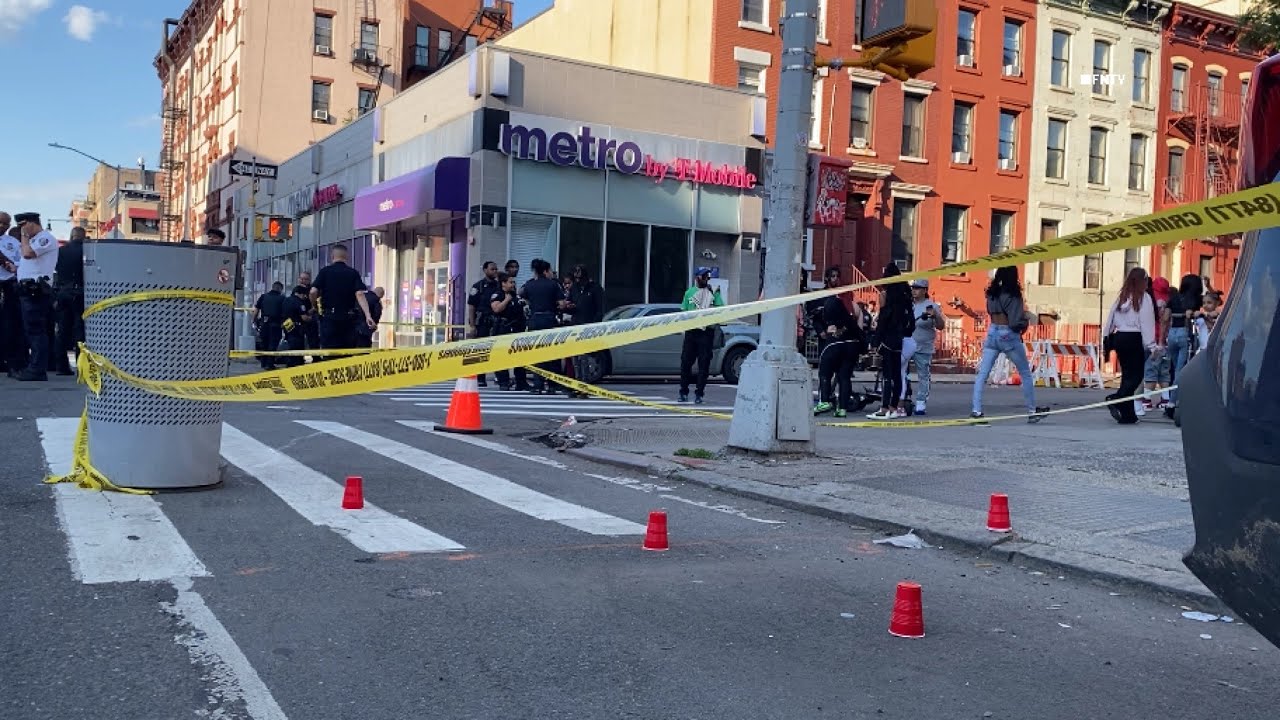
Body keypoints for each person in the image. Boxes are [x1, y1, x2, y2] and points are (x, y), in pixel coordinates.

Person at [971, 265, 1049, 423]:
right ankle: (1032, 410)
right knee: (1025, 373)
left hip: (992, 331)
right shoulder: (1013, 295)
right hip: (1008, 334)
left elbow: (991, 312)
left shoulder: (991, 293)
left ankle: (976, 411)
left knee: (982, 375)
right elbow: (1014, 322)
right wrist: (1025, 320)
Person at [1103, 267, 1159, 424]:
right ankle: (1116, 399)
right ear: (1143, 281)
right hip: (1134, 338)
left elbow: (1110, 318)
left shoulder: (1122, 297)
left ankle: (1128, 415)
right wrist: (1152, 346)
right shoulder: (1144, 298)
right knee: (1136, 376)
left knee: (1127, 376)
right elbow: (1146, 323)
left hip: (1120, 337)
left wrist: (1106, 337)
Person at [12, 213, 59, 381]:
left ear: (32, 223)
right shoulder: (33, 240)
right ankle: (33, 366)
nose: (21, 230)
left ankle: (37, 369)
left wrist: (24, 236)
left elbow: (27, 254)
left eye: (23, 226)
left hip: (36, 291)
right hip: (27, 290)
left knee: (36, 330)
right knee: (30, 330)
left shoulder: (44, 238)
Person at [867, 264, 914, 419]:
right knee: (897, 375)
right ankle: (894, 407)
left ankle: (884, 408)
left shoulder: (885, 295)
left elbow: (883, 320)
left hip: (887, 339)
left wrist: (875, 341)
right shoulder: (905, 296)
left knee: (887, 376)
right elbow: (910, 322)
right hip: (899, 339)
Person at [812, 267, 860, 418]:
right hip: (842, 341)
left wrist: (838, 330)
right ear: (827, 278)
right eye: (832, 276)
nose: (835, 279)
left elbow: (855, 318)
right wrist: (822, 331)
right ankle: (840, 407)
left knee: (830, 373)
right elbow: (817, 318)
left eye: (837, 276)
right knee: (842, 375)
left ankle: (826, 401)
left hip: (836, 342)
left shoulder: (842, 299)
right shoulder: (825, 297)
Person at [309, 245, 375, 353]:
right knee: (347, 352)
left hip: (329, 318)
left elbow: (313, 292)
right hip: (348, 319)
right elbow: (360, 294)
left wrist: (314, 306)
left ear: (332, 256)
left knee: (329, 353)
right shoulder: (353, 273)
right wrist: (368, 315)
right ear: (346, 257)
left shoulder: (325, 272)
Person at [519, 258, 566, 394]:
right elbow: (562, 303)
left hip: (534, 319)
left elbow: (521, 295)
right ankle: (552, 385)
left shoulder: (529, 285)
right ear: (545, 271)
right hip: (550, 319)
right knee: (551, 353)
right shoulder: (553, 285)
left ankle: (538, 384)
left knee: (536, 353)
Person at [678, 267, 724, 404]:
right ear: (697, 277)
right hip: (691, 331)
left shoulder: (713, 291)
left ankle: (699, 394)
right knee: (686, 362)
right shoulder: (689, 293)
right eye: (703, 276)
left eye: (707, 277)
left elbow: (720, 309)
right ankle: (683, 392)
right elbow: (683, 311)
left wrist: (712, 301)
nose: (706, 279)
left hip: (706, 332)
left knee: (704, 363)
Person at [1163, 273, 1203, 417]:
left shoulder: (1173, 298)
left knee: (1173, 370)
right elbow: (1218, 301)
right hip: (1185, 334)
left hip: (1172, 334)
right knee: (1180, 370)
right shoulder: (1196, 299)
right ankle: (1172, 403)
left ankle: (1172, 398)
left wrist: (1162, 338)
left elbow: (1166, 317)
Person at [51, 226, 85, 376]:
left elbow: (56, 270)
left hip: (63, 292)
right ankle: (81, 366)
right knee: (80, 330)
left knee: (62, 331)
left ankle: (61, 366)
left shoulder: (61, 251)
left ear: (72, 236)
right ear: (83, 236)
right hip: (80, 292)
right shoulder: (86, 250)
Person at [908, 279, 945, 415]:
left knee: (923, 374)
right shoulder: (908, 305)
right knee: (902, 373)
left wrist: (935, 317)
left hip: (923, 346)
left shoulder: (931, 306)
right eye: (913, 288)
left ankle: (921, 402)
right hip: (907, 344)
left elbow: (941, 326)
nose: (914, 291)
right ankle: (904, 398)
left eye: (917, 288)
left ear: (925, 290)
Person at [489, 272, 530, 391]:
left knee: (519, 355)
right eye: (510, 282)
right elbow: (496, 309)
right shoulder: (498, 295)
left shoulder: (516, 295)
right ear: (503, 283)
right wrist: (506, 300)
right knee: (501, 356)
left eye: (513, 282)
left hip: (517, 328)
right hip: (503, 328)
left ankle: (521, 382)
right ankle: (504, 381)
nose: (513, 284)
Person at [0, 213, 28, 376]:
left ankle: (11, 363)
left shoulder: (12, 242)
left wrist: (12, 265)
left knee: (10, 325)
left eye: (6, 224)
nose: (3, 226)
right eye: (0, 223)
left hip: (8, 284)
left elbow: (22, 260)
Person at [467, 261, 500, 387]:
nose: (495, 271)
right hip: (483, 322)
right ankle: (481, 378)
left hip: (497, 321)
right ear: (485, 270)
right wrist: (472, 325)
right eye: (492, 269)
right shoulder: (478, 287)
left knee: (498, 350)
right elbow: (471, 306)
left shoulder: (499, 286)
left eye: (496, 269)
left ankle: (500, 377)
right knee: (482, 350)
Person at [253, 281, 287, 369]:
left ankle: (263, 363)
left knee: (264, 344)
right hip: (276, 325)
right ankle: (269, 364)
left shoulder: (263, 296)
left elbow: (256, 310)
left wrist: (254, 321)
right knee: (273, 344)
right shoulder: (282, 298)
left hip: (264, 324)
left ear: (272, 287)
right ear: (280, 289)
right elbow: (285, 312)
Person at [279, 285, 312, 368]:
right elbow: (304, 318)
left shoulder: (286, 300)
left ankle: (290, 362)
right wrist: (310, 318)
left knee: (290, 342)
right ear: (301, 294)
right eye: (304, 295)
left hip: (287, 324)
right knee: (298, 345)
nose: (305, 297)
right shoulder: (299, 303)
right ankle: (295, 363)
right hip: (297, 326)